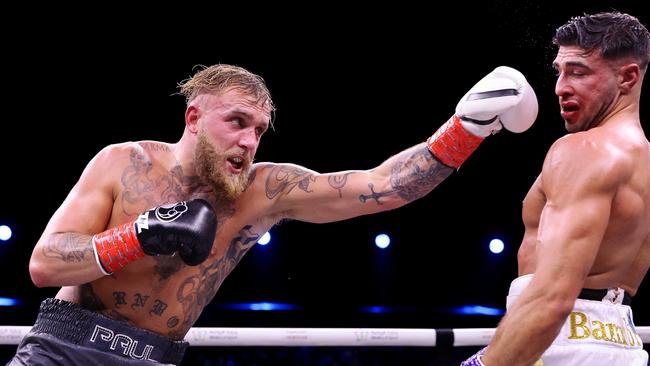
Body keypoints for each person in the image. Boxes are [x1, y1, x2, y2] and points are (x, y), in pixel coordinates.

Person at [7, 63, 537, 365]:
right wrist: (143, 233)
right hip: (64, 346)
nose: (248, 141)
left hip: (154, 358)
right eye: (237, 122)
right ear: (193, 117)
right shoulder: (124, 163)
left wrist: (466, 128)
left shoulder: (263, 190)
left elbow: (382, 187)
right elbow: (45, 265)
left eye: (259, 130)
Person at [462, 11, 650, 366]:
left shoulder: (582, 150)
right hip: (619, 343)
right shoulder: (643, 159)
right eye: (559, 72)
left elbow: (552, 298)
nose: (560, 87)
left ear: (627, 77)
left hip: (557, 343)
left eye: (578, 72)